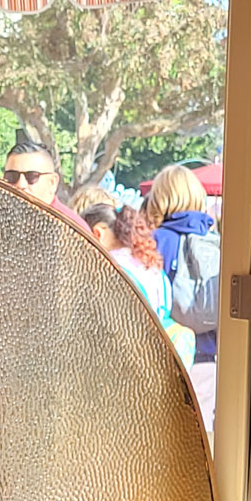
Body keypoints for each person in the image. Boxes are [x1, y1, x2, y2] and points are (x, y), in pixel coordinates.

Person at [144, 165, 218, 430]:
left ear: (159, 198)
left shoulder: (153, 242)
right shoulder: (214, 240)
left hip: (166, 356)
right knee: (200, 439)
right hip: (208, 356)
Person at [83, 203, 196, 371]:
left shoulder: (108, 270)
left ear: (97, 233)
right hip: (157, 362)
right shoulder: (152, 267)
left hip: (124, 366)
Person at [2, 139, 92, 233]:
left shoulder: (73, 230)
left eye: (32, 176)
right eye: (12, 176)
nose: (20, 184)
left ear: (52, 182)